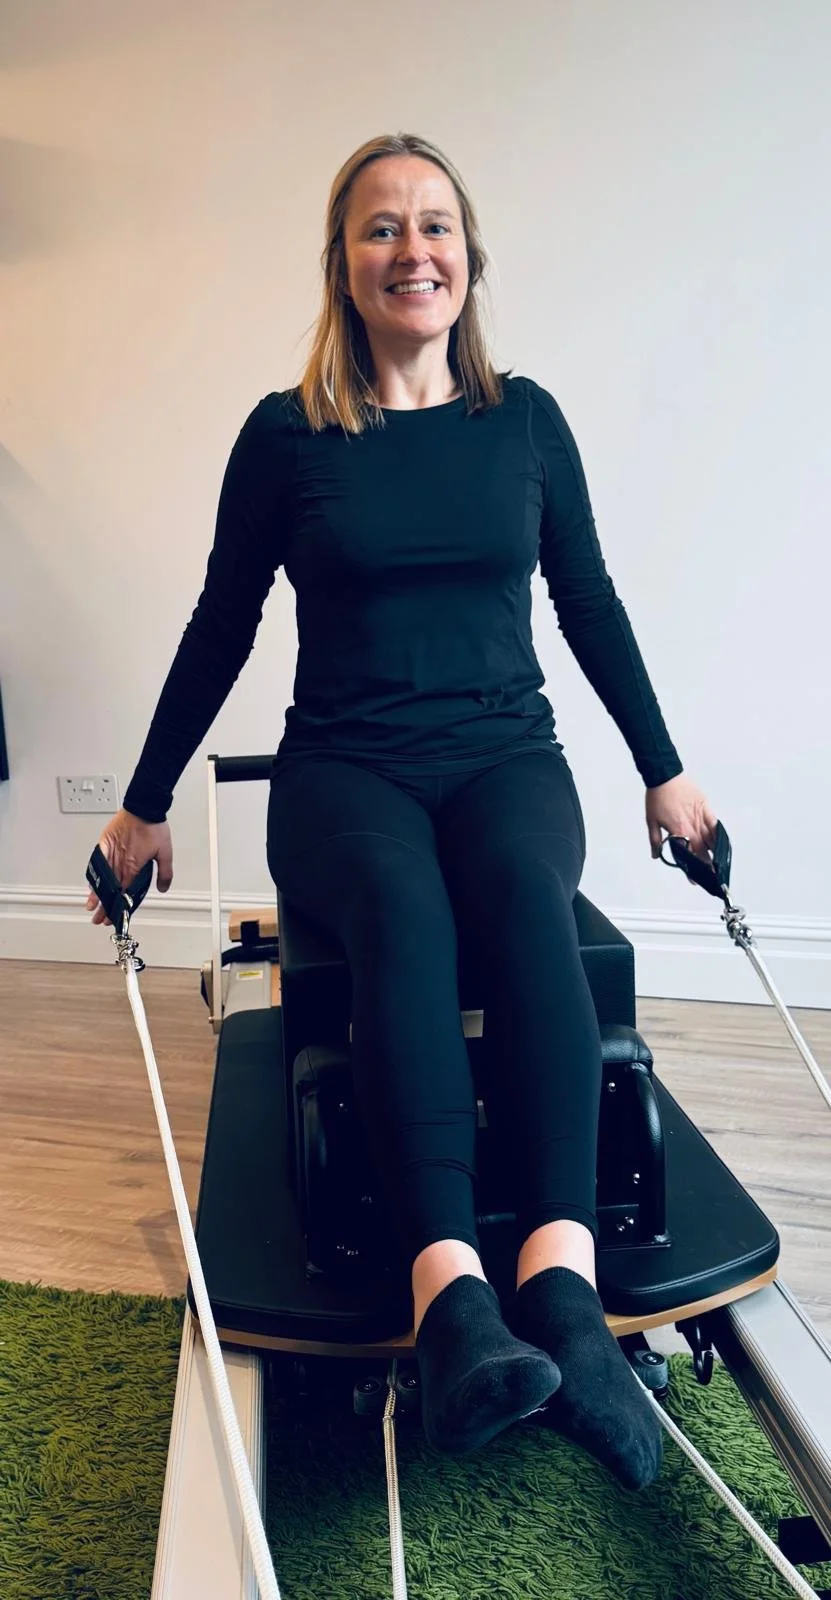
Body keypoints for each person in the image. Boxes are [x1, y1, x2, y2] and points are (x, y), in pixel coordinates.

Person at [87, 132, 717, 1487]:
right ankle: (450, 1304)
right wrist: (141, 808)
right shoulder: (287, 435)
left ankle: (559, 1283)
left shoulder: (527, 422)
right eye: (381, 229)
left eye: (433, 226)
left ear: (467, 258)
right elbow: (219, 624)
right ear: (344, 265)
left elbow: (589, 605)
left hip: (505, 761)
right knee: (401, 915)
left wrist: (663, 769)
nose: (411, 250)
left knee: (522, 910)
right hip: (344, 776)